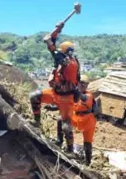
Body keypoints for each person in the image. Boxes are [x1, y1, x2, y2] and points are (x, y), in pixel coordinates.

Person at [29, 22, 84, 154]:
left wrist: (49, 44)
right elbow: (52, 41)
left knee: (66, 125)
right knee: (34, 96)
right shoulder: (63, 59)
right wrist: (58, 29)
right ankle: (37, 123)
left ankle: (70, 149)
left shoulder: (70, 63)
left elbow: (54, 51)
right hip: (55, 93)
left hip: (67, 98)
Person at [71, 74, 97, 165]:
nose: (82, 85)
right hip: (76, 117)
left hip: (88, 120)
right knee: (62, 122)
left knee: (87, 142)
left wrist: (76, 92)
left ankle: (88, 162)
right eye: (81, 83)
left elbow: (84, 99)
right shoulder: (73, 95)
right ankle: (68, 148)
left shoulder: (88, 95)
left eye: (85, 84)